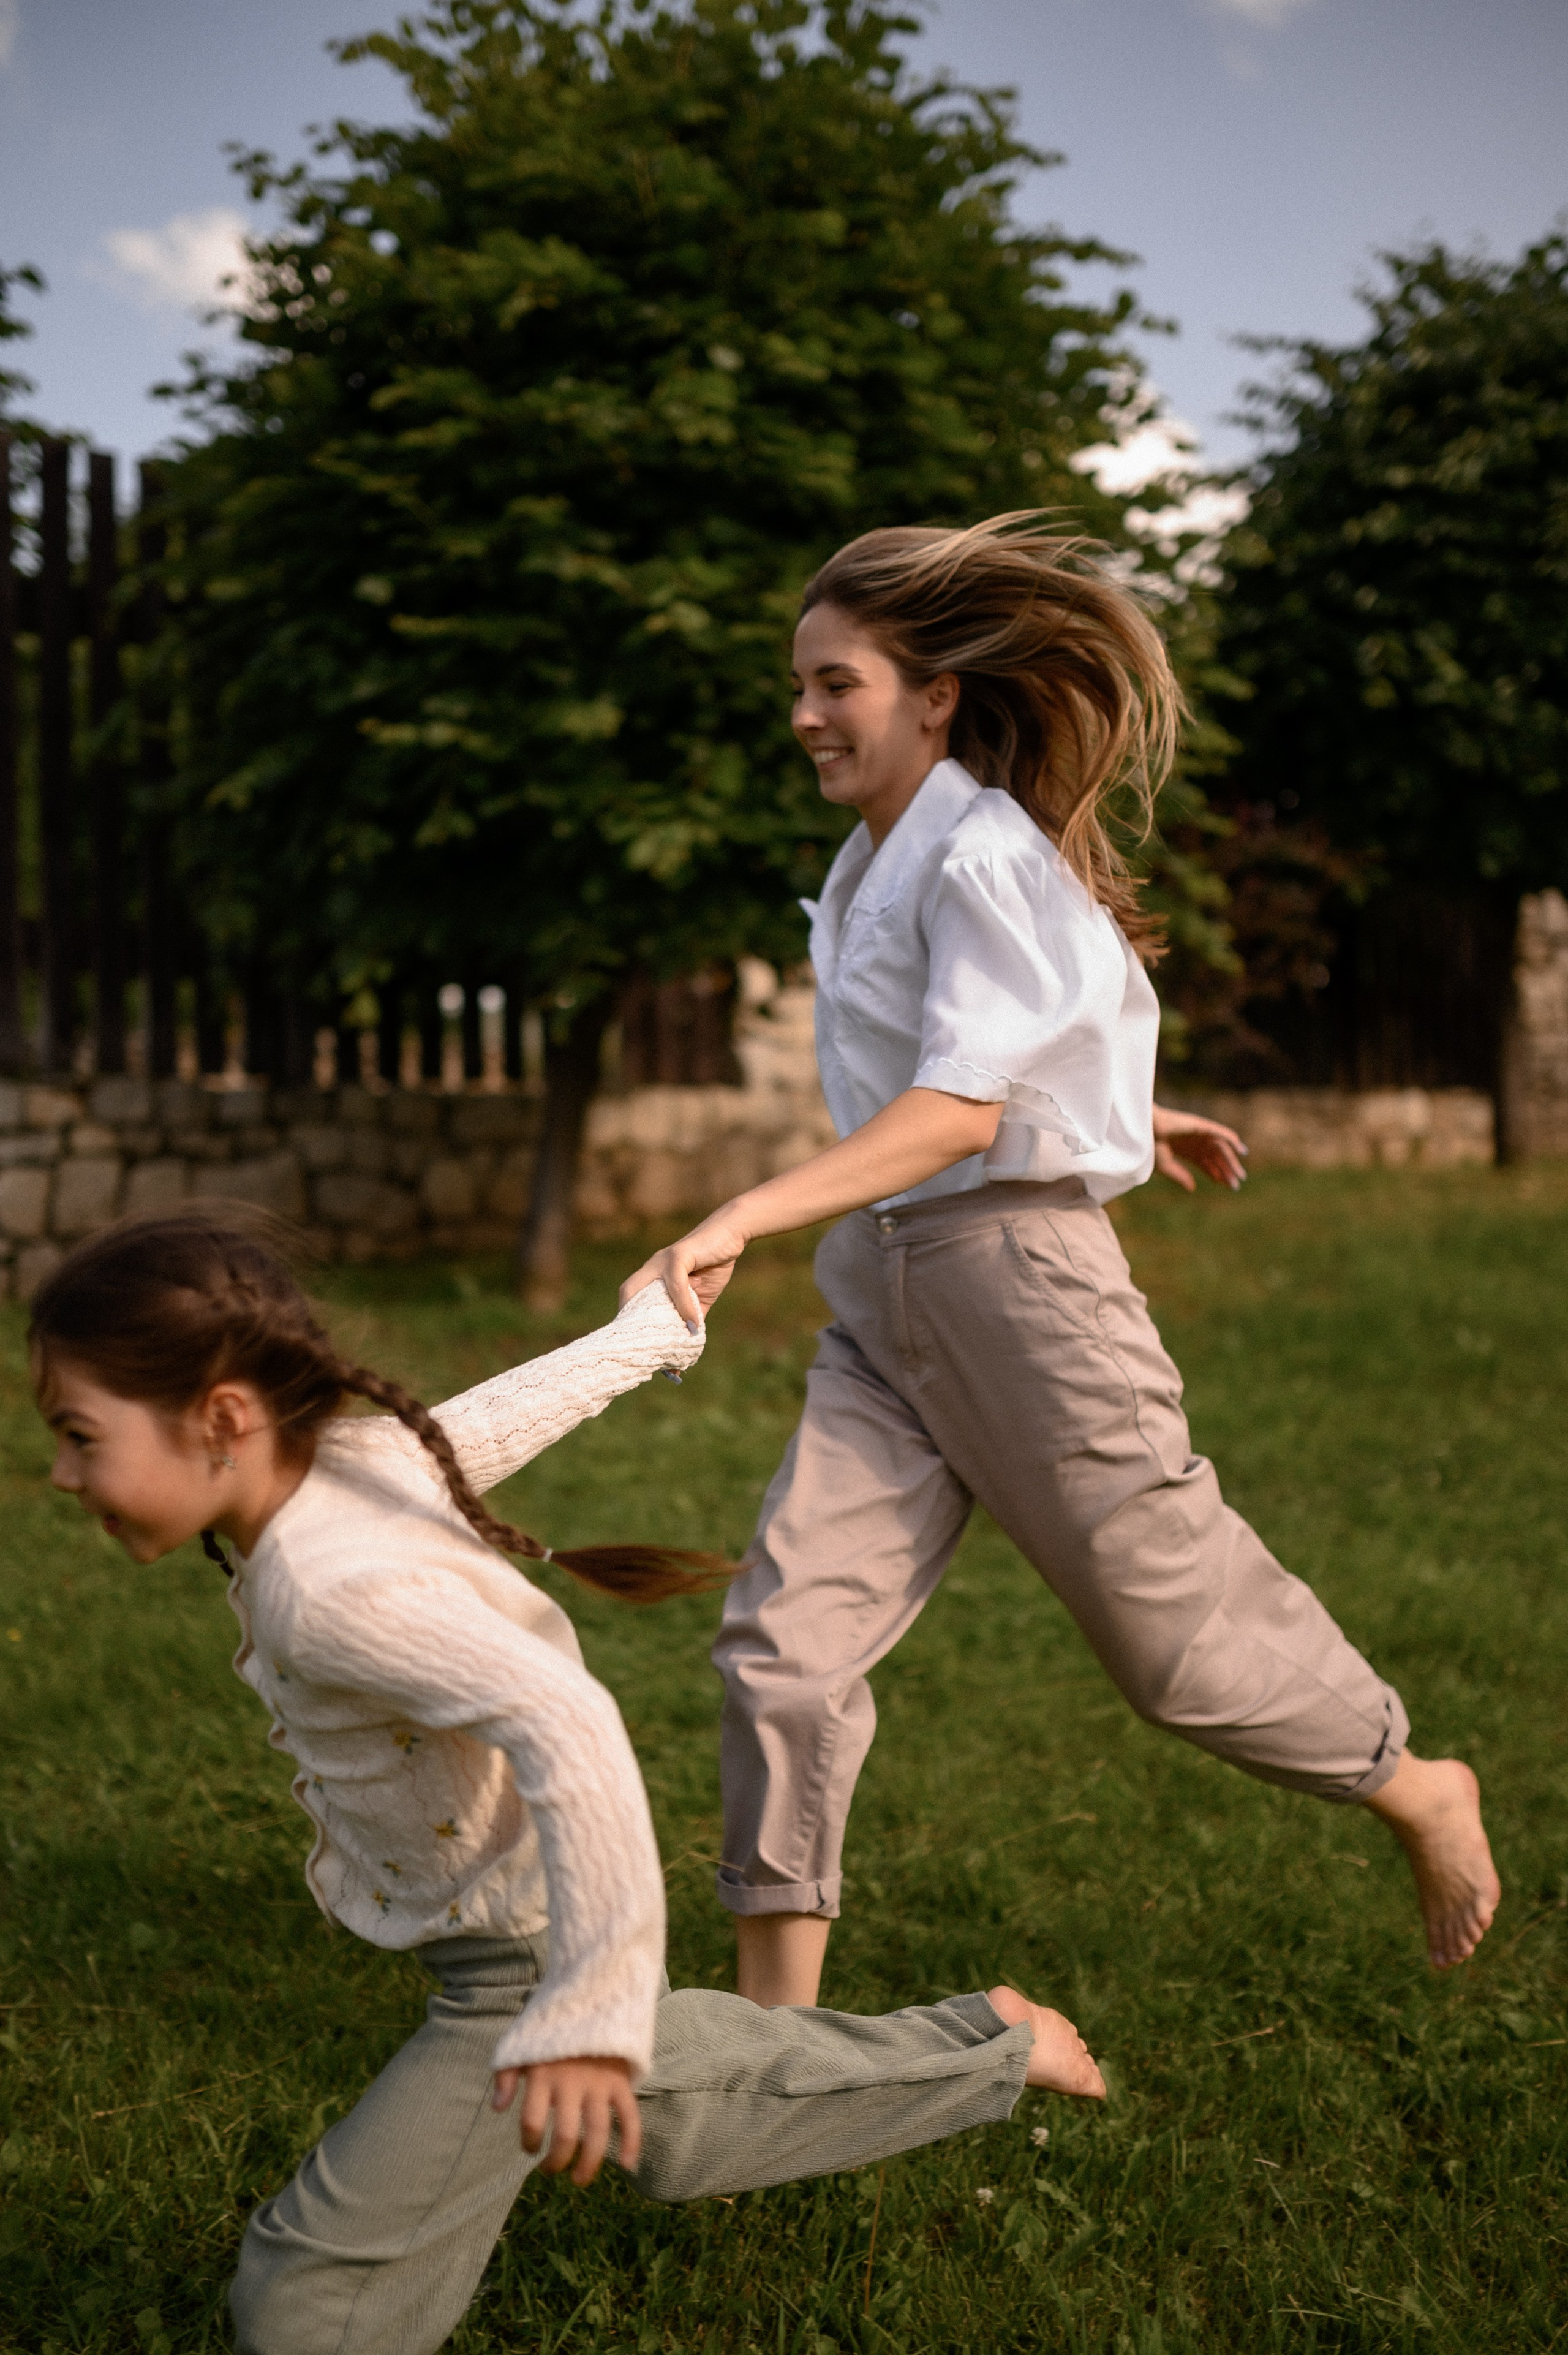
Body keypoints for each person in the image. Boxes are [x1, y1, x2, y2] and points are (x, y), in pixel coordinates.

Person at [623, 514, 1500, 2011]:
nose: (805, 715)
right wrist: (1116, 1107)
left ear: (934, 696)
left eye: (835, 683)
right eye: (799, 687)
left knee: (1175, 1654)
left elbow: (962, 1105)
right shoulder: (873, 854)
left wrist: (740, 1214)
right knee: (782, 1646)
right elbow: (973, 1046)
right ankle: (777, 2047)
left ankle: (1413, 1781)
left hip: (1020, 1293)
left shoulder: (981, 850)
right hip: (884, 1296)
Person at [32, 1208, 1104, 2355]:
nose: (59, 1474)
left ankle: (972, 2047)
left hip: (521, 1974)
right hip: (536, 1930)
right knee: (680, 2130)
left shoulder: (331, 1591)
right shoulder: (350, 1466)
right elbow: (489, 1423)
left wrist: (584, 2014)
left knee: (309, 2304)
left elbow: (573, 1728)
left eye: (81, 1436)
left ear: (221, 1420)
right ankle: (990, 2039)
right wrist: (649, 1333)